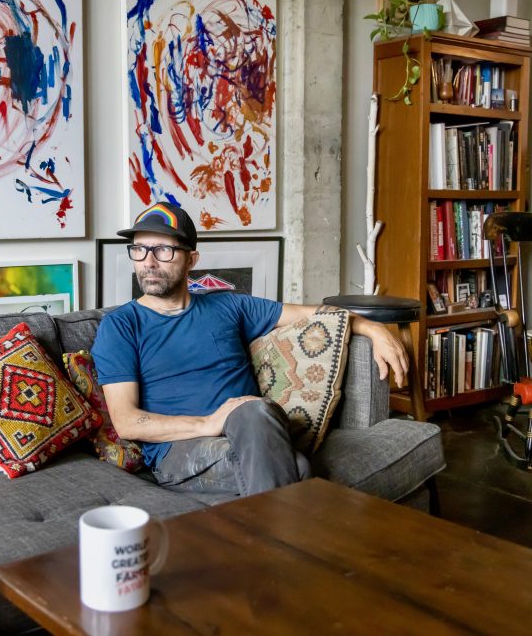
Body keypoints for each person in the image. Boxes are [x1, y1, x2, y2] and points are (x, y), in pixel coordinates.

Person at [91, 202, 409, 498]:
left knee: (267, 428)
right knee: (286, 452)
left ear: (192, 259)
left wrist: (371, 327)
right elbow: (127, 421)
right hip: (180, 449)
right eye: (139, 249)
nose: (148, 262)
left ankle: (272, 538)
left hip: (253, 431)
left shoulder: (230, 306)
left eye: (163, 250)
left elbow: (313, 314)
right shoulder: (121, 325)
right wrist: (207, 423)